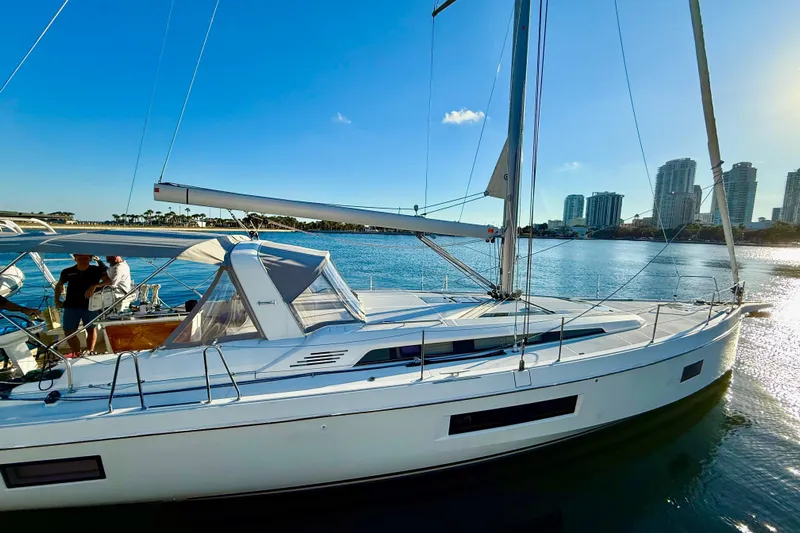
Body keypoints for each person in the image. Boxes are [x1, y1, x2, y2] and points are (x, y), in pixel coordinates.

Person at [54, 255, 106, 356]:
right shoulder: (67, 271)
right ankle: (76, 354)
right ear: (75, 258)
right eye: (80, 257)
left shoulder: (96, 270)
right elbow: (59, 284)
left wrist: (95, 285)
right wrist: (57, 300)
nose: (83, 260)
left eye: (86, 258)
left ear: (90, 259)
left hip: (91, 306)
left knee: (91, 329)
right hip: (71, 305)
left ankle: (90, 351)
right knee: (69, 332)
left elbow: (109, 281)